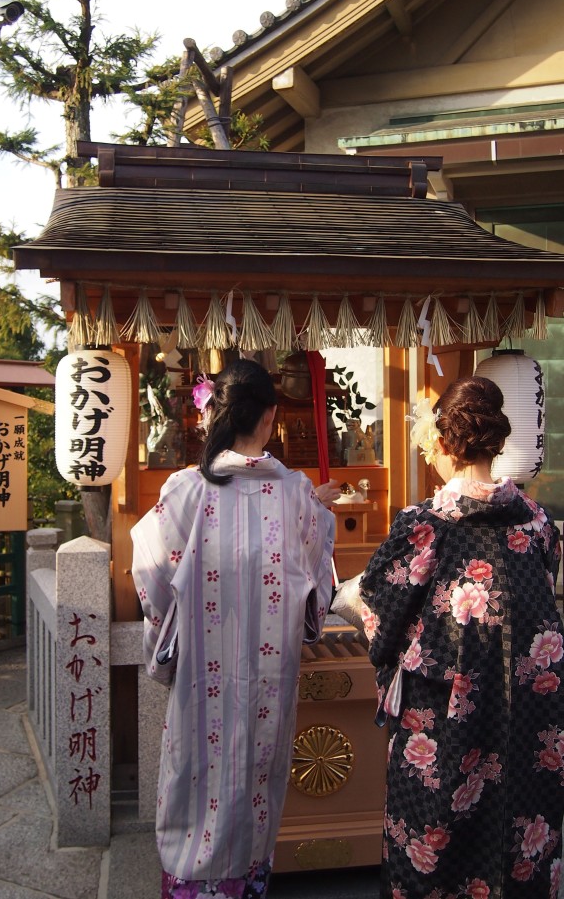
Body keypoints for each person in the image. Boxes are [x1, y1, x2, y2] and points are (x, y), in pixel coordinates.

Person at [131, 359, 335, 899]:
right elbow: (317, 584)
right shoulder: (296, 495)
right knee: (254, 786)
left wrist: (167, 644)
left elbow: (149, 569)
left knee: (194, 779)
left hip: (202, 676)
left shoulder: (185, 491)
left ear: (215, 414)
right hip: (270, 680)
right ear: (270, 416)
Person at [359, 375, 563, 899]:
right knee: (520, 832)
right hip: (526, 711)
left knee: (435, 837)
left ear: (444, 442)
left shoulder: (426, 525)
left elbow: (379, 607)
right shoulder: (538, 524)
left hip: (448, 711)